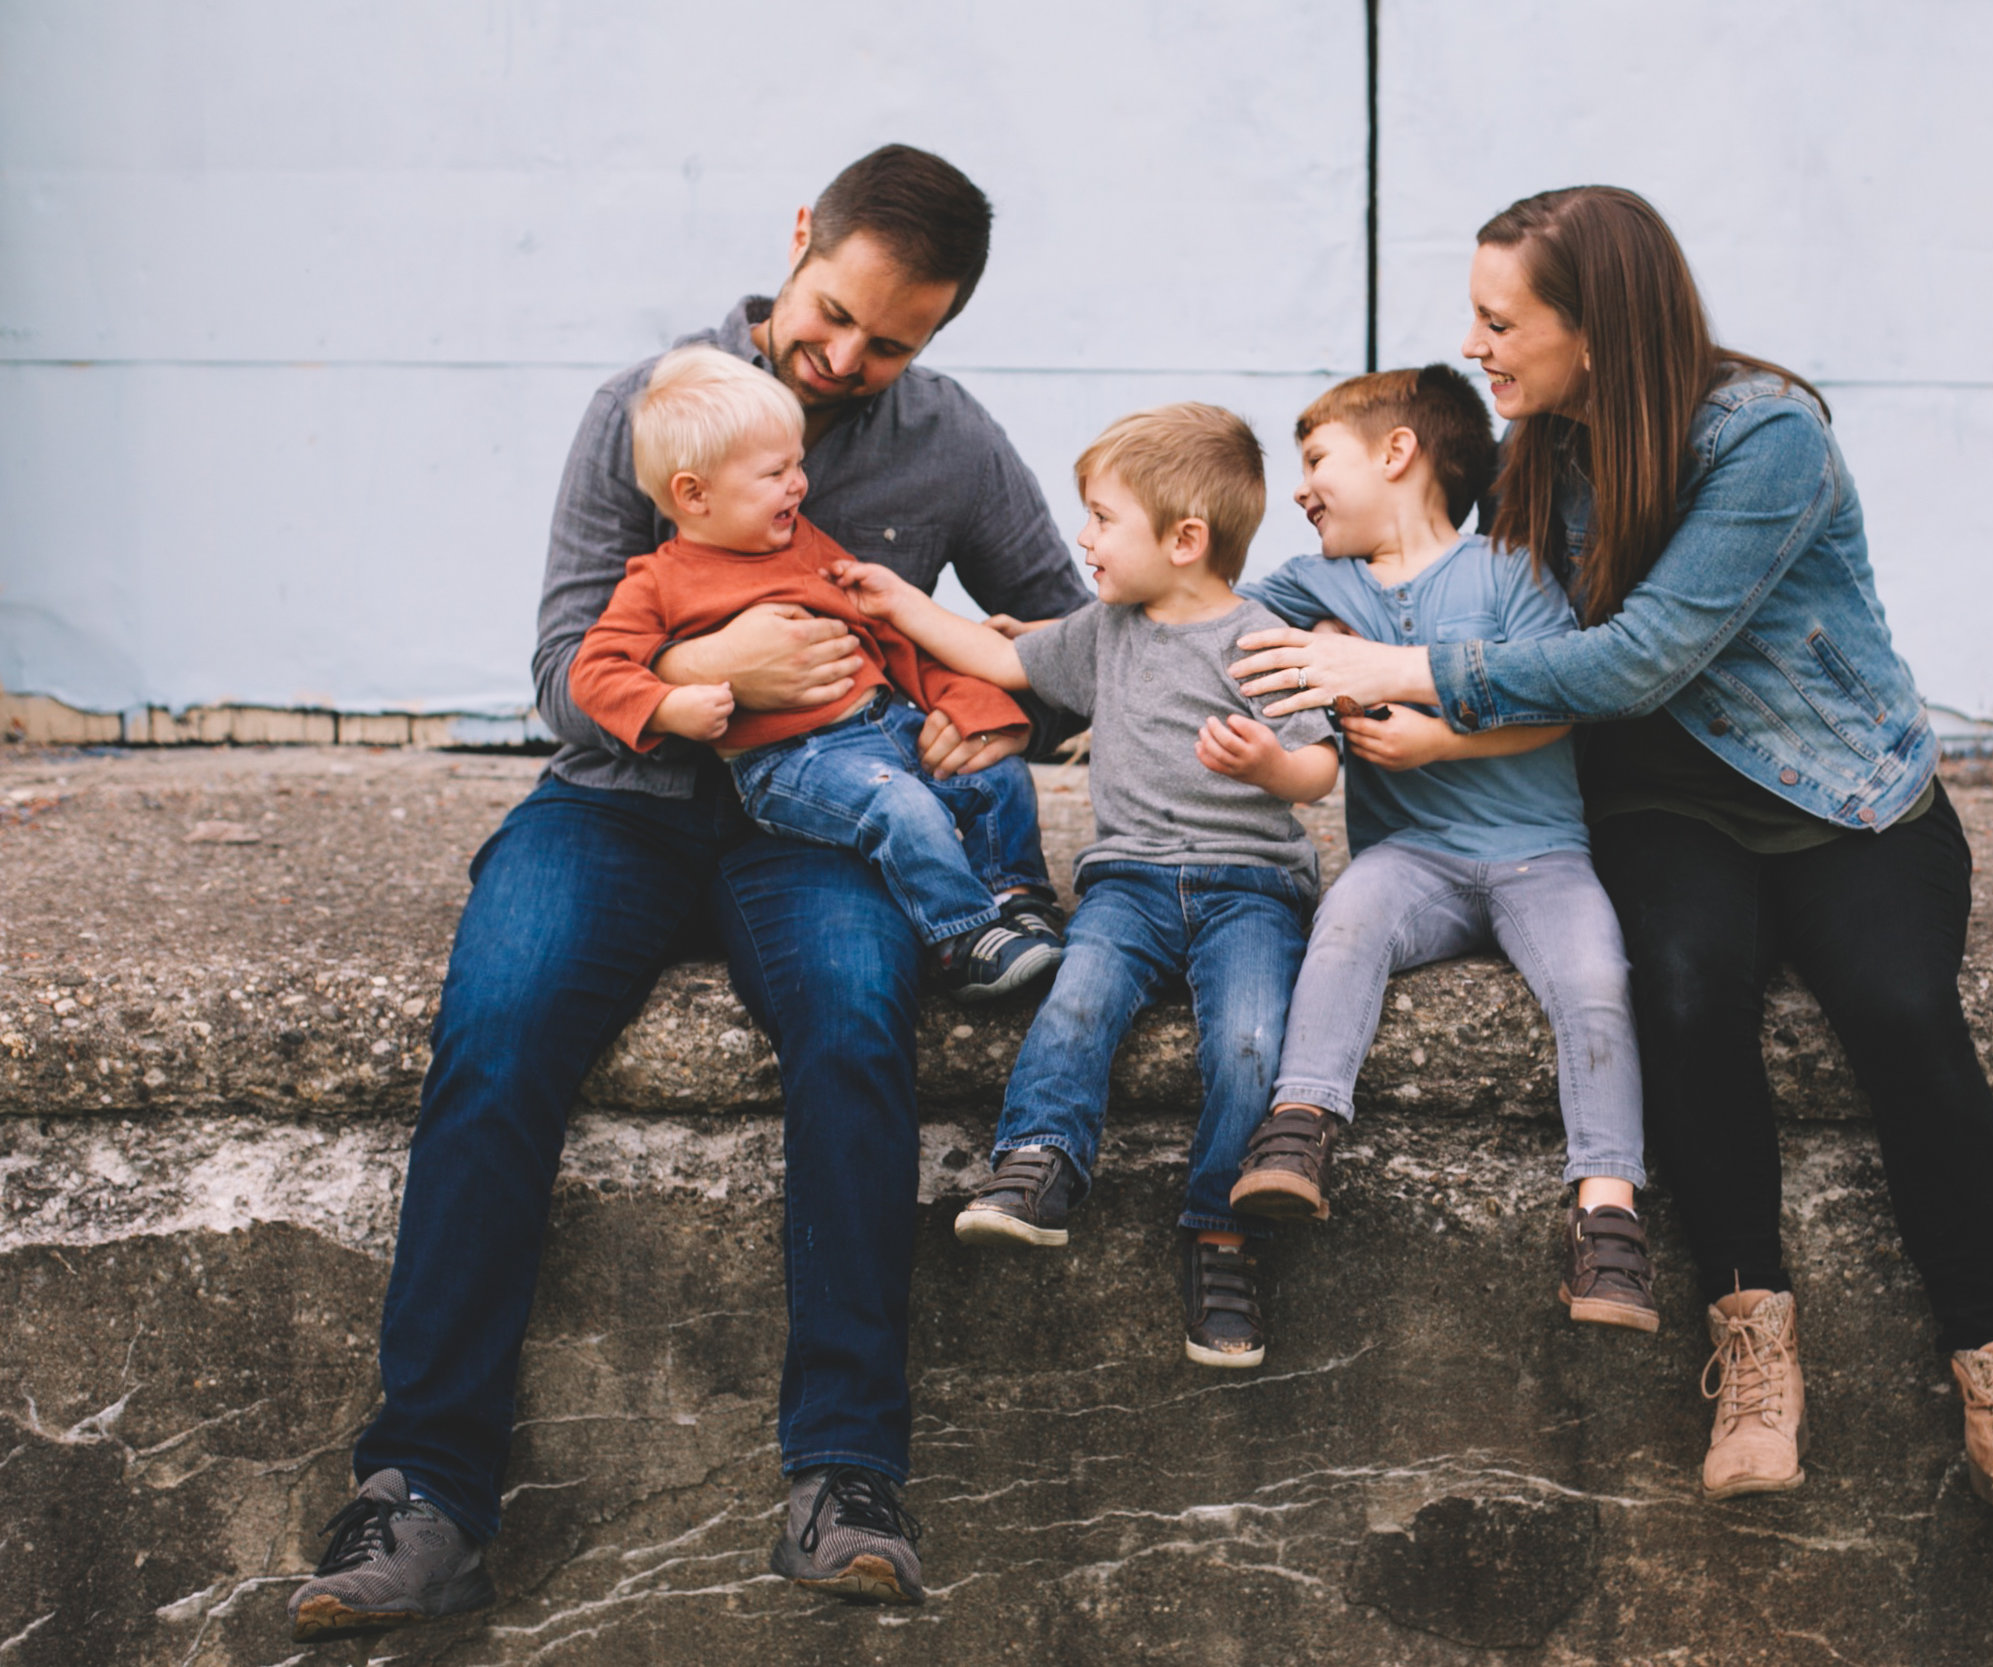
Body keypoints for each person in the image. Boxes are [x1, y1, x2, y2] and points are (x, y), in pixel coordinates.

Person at [285, 145, 1095, 1643]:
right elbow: (558, 678)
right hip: (618, 808)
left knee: (861, 1028)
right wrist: (710, 671)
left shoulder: (950, 442)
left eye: (893, 342)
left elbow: (1064, 640)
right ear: (801, 238)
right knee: (498, 1029)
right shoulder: (647, 408)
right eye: (834, 312)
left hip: (824, 834)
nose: (846, 360)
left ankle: (846, 1473)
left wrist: (1000, 713)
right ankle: (426, 1490)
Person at [1229, 186, 1993, 1546]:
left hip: (1838, 793)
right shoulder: (1537, 450)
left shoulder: (1765, 440)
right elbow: (1499, 633)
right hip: (1656, 801)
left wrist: (1403, 670)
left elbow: (1639, 654)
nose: (1477, 345)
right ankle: (1754, 1350)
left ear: (1599, 326)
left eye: (1500, 319)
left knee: (1899, 1009)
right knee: (1685, 989)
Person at [832, 403, 1339, 1370]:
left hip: (1250, 888)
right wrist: (900, 602)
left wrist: (1272, 766)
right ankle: (1039, 1162)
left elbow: (1321, 768)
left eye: (1105, 518)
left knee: (1248, 1041)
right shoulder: (1105, 631)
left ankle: (1220, 1232)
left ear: (1186, 540)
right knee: (1077, 998)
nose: (1084, 537)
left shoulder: (1263, 637)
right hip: (1131, 882)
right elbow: (1000, 657)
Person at [1224, 365, 1656, 1331]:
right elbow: (1210, 615)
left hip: (1540, 851)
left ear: (1397, 453)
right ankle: (1299, 1128)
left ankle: (1610, 1221)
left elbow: (1556, 697)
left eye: (1316, 460)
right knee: (1345, 925)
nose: (1300, 488)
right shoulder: (1315, 583)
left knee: (1594, 980)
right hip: (1411, 853)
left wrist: (1438, 737)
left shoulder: (1509, 567)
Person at [569, 344, 1063, 1003]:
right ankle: (962, 940)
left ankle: (1016, 896)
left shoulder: (803, 540)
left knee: (996, 774)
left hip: (883, 723)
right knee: (902, 806)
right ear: (694, 493)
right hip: (791, 761)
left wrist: (971, 703)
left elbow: (886, 637)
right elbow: (592, 670)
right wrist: (668, 706)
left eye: (798, 463)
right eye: (776, 472)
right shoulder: (658, 582)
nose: (799, 485)